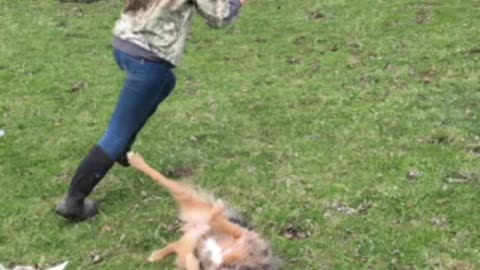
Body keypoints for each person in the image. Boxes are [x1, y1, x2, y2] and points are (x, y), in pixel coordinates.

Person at [56, 0, 246, 221]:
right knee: (117, 132)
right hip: (147, 58)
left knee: (166, 82)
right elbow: (219, 17)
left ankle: (122, 146)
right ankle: (74, 201)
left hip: (124, 43)